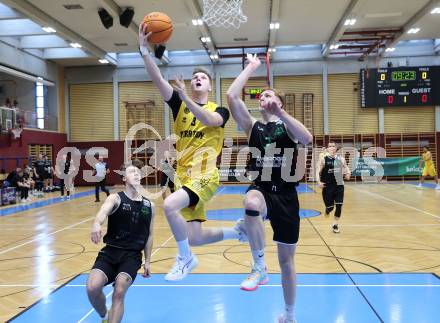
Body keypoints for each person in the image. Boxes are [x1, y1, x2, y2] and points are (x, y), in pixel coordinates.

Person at [139, 24, 246, 281]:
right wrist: (144, 51)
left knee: (168, 205)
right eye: (195, 77)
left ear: (209, 87)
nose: (198, 78)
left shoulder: (220, 109)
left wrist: (185, 97)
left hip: (206, 174)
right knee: (195, 237)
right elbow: (157, 79)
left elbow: (209, 121)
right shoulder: (179, 104)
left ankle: (185, 258)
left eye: (203, 78)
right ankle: (237, 231)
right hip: (183, 177)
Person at [226, 53, 313, 323]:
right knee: (251, 203)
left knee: (287, 263)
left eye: (269, 96)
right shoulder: (252, 126)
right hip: (262, 188)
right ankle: (259, 266)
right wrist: (250, 67)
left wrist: (281, 113)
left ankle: (289, 315)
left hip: (287, 196)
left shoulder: (286, 126)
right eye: (261, 96)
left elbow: (307, 139)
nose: (263, 99)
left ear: (279, 103)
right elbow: (231, 97)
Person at [87, 159, 155, 323]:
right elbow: (103, 212)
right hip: (110, 251)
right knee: (92, 288)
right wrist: (97, 223)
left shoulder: (149, 205)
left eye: (138, 172)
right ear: (124, 178)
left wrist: (148, 261)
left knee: (119, 291)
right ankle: (104, 316)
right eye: (132, 172)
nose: (136, 174)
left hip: (131, 256)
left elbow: (150, 235)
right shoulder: (115, 198)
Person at [316, 142, 351, 233]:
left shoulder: (341, 159)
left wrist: (348, 173)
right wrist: (318, 181)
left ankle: (335, 224)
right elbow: (317, 171)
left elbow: (346, 168)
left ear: (336, 148)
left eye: (333, 146)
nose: (332, 148)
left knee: (339, 206)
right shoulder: (323, 159)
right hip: (328, 186)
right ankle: (328, 209)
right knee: (331, 207)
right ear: (327, 149)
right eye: (330, 146)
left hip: (339, 185)